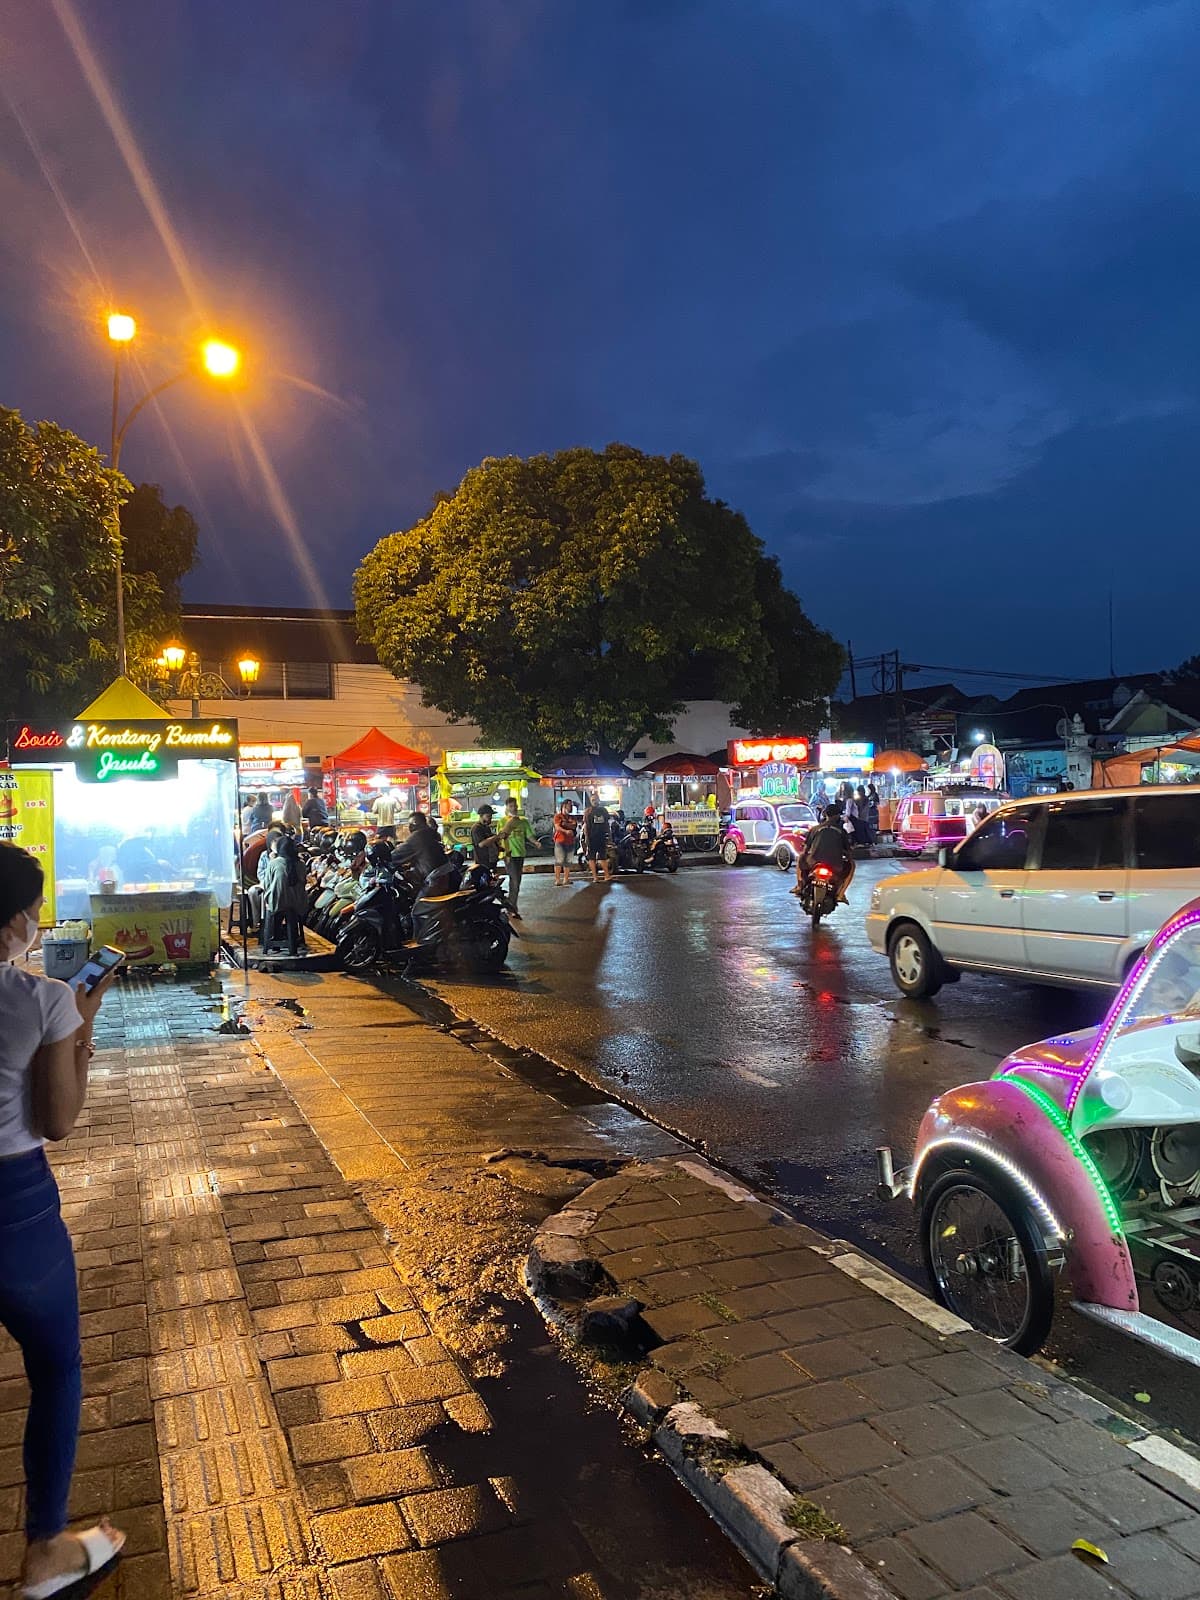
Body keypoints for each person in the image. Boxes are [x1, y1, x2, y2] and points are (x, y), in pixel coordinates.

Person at [0, 844, 126, 1594]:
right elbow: (59, 1120)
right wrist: (81, 1025)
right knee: (56, 1369)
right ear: (18, 918)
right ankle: (44, 1548)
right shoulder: (41, 998)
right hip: (16, 1213)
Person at [794, 806, 855, 904]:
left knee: (800, 856)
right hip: (835, 866)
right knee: (852, 865)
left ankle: (799, 886)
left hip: (813, 862)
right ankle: (841, 894)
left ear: (825, 815)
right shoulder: (841, 831)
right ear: (837, 816)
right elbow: (848, 853)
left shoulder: (815, 829)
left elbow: (805, 850)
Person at [260, 834, 307, 956]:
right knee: (289, 911)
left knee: (277, 906)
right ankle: (292, 940)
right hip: (298, 903)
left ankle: (275, 940)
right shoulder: (301, 863)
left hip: (277, 903)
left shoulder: (274, 863)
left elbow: (266, 885)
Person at [496, 798, 537, 917]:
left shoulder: (523, 822)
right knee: (515, 880)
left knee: (516, 880)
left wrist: (536, 843)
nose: (513, 808)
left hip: (520, 853)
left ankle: (509, 903)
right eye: (510, 806)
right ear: (506, 807)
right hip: (509, 854)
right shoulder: (502, 821)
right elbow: (500, 836)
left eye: (515, 806)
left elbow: (529, 835)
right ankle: (512, 907)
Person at [394, 812, 446, 882]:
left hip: (435, 877)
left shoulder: (418, 836)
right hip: (442, 873)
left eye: (410, 824)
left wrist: (385, 857)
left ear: (415, 823)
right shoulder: (429, 833)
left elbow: (397, 854)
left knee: (413, 892)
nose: (409, 827)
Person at [583, 794, 612, 883]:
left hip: (602, 837)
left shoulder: (603, 810)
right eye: (593, 800)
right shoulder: (588, 811)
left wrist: (609, 836)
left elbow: (607, 824)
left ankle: (607, 875)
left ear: (599, 800)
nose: (594, 801)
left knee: (603, 857)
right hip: (592, 838)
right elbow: (586, 826)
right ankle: (595, 877)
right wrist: (586, 838)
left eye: (596, 799)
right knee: (592, 858)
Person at [551, 799, 577, 886]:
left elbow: (574, 825)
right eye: (569, 805)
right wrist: (566, 831)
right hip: (560, 840)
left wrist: (565, 825)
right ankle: (558, 880)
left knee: (568, 861)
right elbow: (557, 827)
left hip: (570, 841)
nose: (570, 807)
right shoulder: (558, 816)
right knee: (559, 860)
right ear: (564, 806)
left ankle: (566, 879)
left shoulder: (572, 817)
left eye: (571, 806)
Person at [471, 806, 501, 872]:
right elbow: (481, 844)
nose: (490, 818)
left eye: (491, 816)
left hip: (491, 859)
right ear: (481, 816)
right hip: (483, 861)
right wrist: (496, 837)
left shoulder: (486, 827)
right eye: (488, 816)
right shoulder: (476, 828)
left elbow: (489, 841)